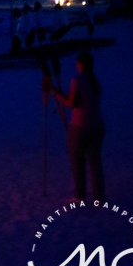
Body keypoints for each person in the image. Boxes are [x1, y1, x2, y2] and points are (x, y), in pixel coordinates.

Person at [50, 51, 105, 200]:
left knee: (77, 160)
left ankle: (80, 194)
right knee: (95, 163)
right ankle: (99, 196)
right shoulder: (96, 81)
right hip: (98, 126)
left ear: (81, 64)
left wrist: (56, 93)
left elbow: (71, 103)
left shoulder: (77, 80)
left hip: (80, 126)